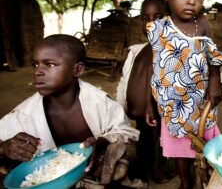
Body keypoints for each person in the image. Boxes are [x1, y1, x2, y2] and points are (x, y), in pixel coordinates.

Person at [0, 34, 140, 186]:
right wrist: (4, 147)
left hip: (92, 173)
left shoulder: (99, 103)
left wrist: (104, 141)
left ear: (78, 70)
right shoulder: (24, 114)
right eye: (35, 64)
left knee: (117, 162)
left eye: (49, 65)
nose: (37, 72)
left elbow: (126, 131)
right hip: (52, 181)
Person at [145, 0, 222, 188]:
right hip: (173, 106)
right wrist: (149, 104)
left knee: (206, 145)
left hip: (201, 101)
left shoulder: (202, 24)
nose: (191, 1)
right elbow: (155, 70)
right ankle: (185, 182)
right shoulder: (157, 29)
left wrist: (215, 81)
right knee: (181, 150)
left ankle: (206, 179)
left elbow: (212, 55)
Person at [116, 0, 176, 187]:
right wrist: (120, 106)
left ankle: (162, 169)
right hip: (140, 117)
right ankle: (144, 168)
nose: (151, 24)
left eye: (158, 17)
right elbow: (125, 80)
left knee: (162, 142)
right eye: (145, 19)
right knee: (143, 142)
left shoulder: (172, 49)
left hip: (163, 115)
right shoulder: (137, 51)